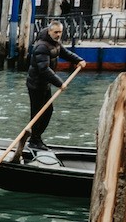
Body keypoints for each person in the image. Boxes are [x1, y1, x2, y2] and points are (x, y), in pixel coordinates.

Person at [24, 20, 85, 157]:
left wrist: (78, 60)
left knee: (48, 111)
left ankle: (36, 139)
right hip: (36, 85)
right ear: (49, 31)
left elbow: (64, 53)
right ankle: (34, 140)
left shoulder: (54, 43)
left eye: (60, 32)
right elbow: (43, 69)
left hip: (45, 84)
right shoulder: (41, 47)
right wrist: (59, 83)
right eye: (56, 32)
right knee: (38, 113)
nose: (58, 35)